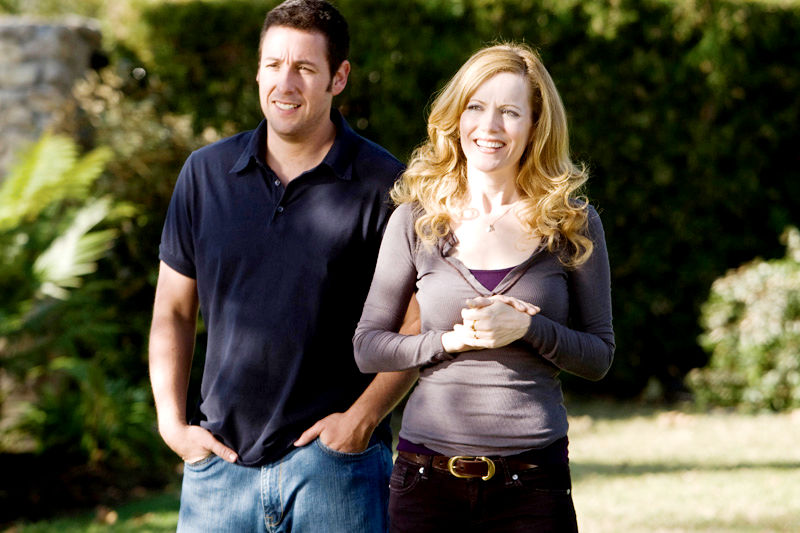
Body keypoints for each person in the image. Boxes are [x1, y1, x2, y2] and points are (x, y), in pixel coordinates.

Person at [148, 1, 417, 531]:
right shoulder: (205, 175)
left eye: (305, 68)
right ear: (257, 71)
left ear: (339, 77)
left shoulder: (386, 185)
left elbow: (418, 318)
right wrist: (172, 426)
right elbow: (173, 311)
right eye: (273, 64)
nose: (285, 83)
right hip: (217, 473)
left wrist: (361, 421)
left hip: (335, 472)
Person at [353, 43, 615, 532]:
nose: (489, 126)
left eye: (510, 112)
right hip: (425, 483)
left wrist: (528, 329)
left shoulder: (572, 224)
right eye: (476, 106)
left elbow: (599, 356)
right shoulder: (416, 220)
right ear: (456, 117)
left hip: (532, 486)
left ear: (535, 126)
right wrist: (449, 340)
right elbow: (367, 348)